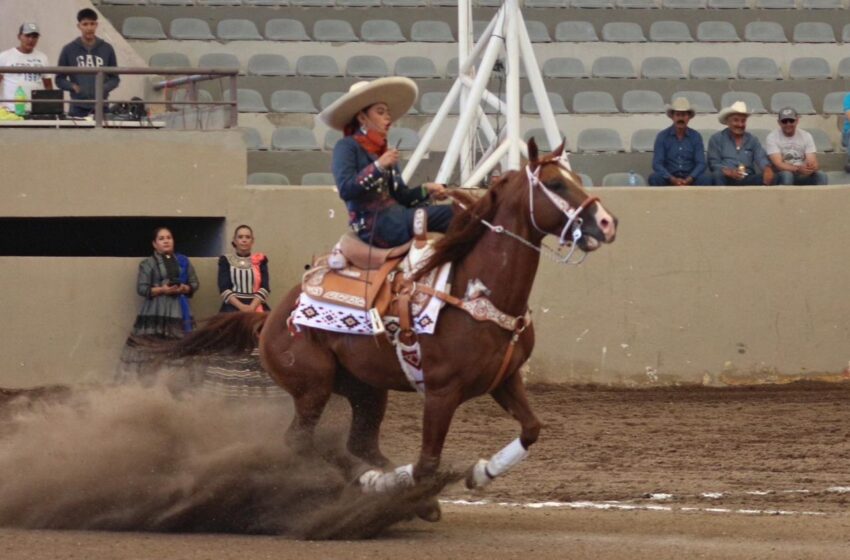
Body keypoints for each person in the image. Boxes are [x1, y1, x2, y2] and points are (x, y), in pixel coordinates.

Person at [320, 77, 453, 248]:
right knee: (453, 214)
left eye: (387, 113)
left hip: (398, 218)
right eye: (380, 112)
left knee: (459, 210)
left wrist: (425, 190)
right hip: (375, 227)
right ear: (362, 118)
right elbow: (345, 189)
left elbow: (401, 197)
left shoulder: (384, 152)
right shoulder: (346, 146)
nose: (388, 118)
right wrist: (378, 166)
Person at [117, 227, 199, 382]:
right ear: (154, 244)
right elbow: (141, 288)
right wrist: (162, 289)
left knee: (177, 350)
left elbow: (194, 284)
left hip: (179, 312)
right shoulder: (148, 264)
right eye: (161, 239)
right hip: (155, 313)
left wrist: (183, 288)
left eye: (169, 237)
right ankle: (146, 385)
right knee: (150, 350)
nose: (166, 241)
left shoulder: (183, 262)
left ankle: (176, 386)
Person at [56, 8, 119, 118]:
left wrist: (103, 88)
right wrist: (73, 86)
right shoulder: (68, 49)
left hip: (101, 106)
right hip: (77, 107)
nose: (89, 28)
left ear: (96, 25)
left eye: (92, 24)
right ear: (79, 26)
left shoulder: (107, 48)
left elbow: (115, 78)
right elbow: (59, 79)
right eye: (85, 24)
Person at [708, 101, 775, 187]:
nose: (740, 124)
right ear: (728, 122)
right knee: (717, 175)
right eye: (736, 120)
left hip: (747, 178)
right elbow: (713, 164)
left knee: (772, 177)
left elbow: (761, 157)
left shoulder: (752, 140)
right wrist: (729, 172)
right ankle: (722, 200)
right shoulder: (716, 139)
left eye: (743, 121)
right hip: (726, 178)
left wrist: (767, 169)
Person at [648, 98, 711, 186]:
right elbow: (657, 164)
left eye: (684, 115)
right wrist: (671, 178)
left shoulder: (696, 136)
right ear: (672, 117)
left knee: (706, 179)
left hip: (691, 178)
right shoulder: (662, 136)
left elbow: (701, 163)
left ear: (688, 117)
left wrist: (690, 178)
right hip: (668, 178)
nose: (680, 118)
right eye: (678, 115)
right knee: (655, 178)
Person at [765, 107, 827, 186]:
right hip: (781, 174)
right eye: (784, 121)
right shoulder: (772, 137)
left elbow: (812, 161)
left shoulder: (806, 136)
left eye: (791, 120)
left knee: (821, 176)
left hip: (801, 174)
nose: (788, 124)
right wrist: (798, 169)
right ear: (779, 122)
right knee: (787, 176)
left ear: (797, 121)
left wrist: (811, 167)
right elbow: (778, 165)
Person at [218, 224, 270, 313]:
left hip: (256, 306)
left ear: (252, 241)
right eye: (240, 237)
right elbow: (224, 288)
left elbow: (265, 287)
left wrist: (252, 307)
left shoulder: (260, 260)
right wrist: (242, 307)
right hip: (232, 307)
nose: (244, 240)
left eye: (248, 237)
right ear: (235, 240)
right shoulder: (225, 260)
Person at [0, 23, 49, 114]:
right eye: (27, 36)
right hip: (11, 110)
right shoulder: (5, 56)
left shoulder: (43, 57)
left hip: (35, 110)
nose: (31, 40)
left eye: (34, 36)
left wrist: (49, 107)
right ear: (19, 37)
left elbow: (48, 86)